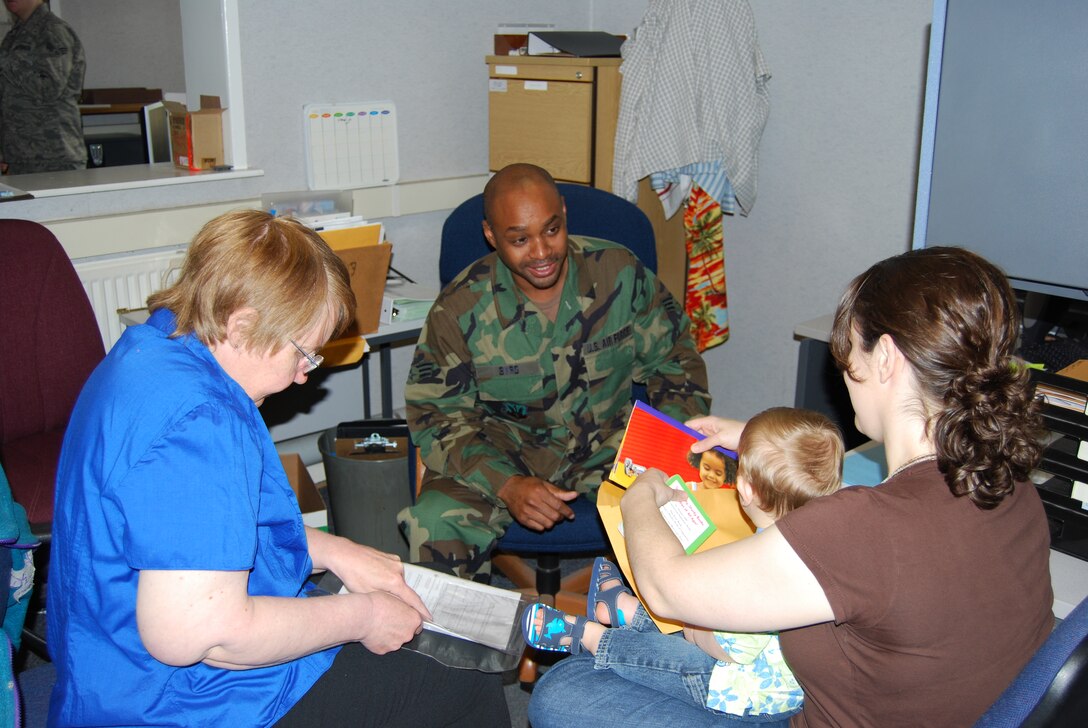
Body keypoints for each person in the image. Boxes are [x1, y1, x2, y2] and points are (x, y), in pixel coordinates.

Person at [529, 246, 1054, 728]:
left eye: (850, 353)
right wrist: (764, 444)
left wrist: (642, 495)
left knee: (563, 693)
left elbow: (669, 587)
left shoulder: (861, 531)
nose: (843, 370)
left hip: (806, 712)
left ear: (887, 357)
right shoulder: (1008, 483)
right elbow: (895, 536)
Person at [47, 211, 508, 727]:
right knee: (462, 682)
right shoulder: (200, 424)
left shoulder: (152, 350)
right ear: (241, 323)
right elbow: (201, 634)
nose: (304, 376)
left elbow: (189, 534)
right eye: (303, 353)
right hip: (176, 702)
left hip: (111, 668)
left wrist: (335, 549)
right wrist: (363, 616)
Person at [399, 163, 711, 581]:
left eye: (552, 230)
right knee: (436, 522)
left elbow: (678, 367)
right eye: (519, 240)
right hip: (506, 450)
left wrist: (659, 455)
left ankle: (665, 638)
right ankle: (458, 643)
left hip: (612, 449)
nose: (542, 252)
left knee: (701, 508)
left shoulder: (619, 272)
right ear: (491, 236)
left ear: (563, 213)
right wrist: (506, 484)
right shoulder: (459, 308)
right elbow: (437, 416)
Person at [521, 407, 844, 721]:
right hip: (774, 665)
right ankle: (625, 611)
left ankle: (592, 638)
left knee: (672, 656)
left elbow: (729, 650)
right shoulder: (826, 529)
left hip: (746, 693)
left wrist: (693, 626)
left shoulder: (761, 570)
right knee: (693, 611)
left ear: (744, 489)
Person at [0, 0, 86, 174]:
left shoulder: (53, 30)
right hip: (19, 156)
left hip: (53, 157)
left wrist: (6, 62)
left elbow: (48, 89)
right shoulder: (15, 34)